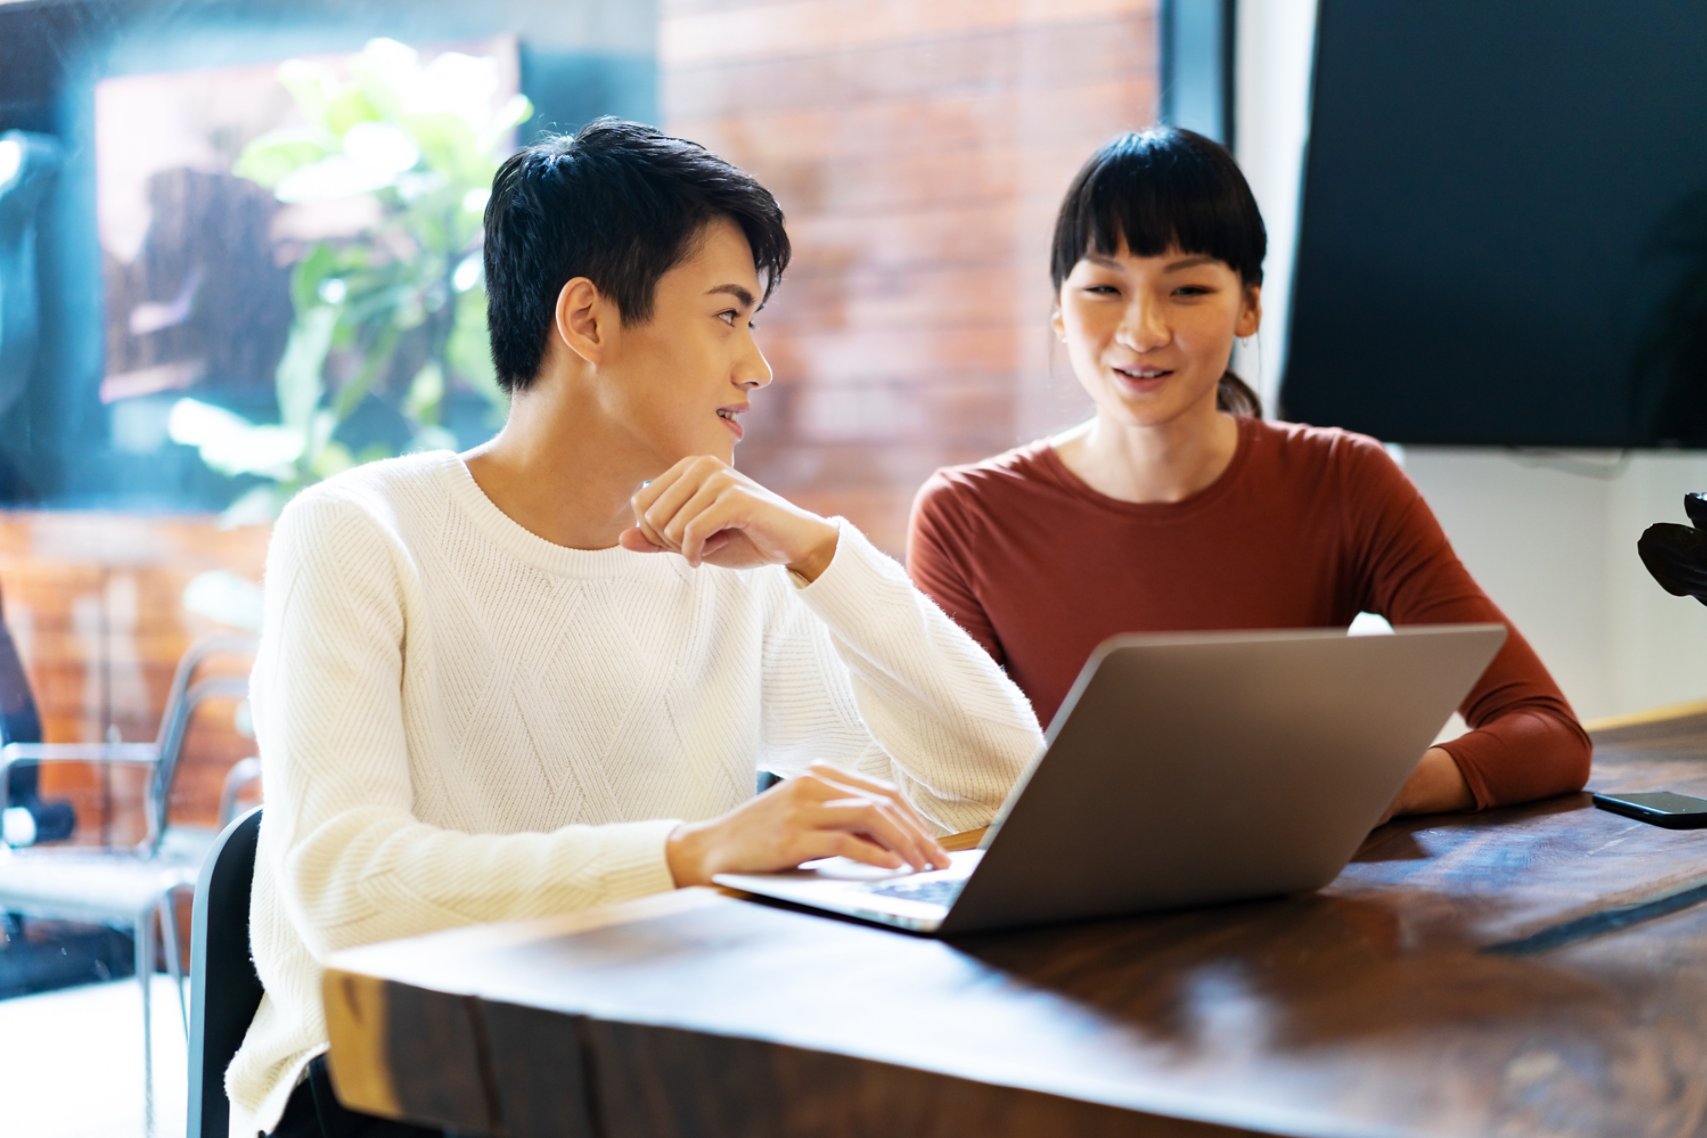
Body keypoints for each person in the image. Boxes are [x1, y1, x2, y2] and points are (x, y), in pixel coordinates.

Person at [231, 118, 1043, 1138]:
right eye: (727, 315)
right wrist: (689, 853)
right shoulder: (357, 532)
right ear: (587, 320)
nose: (758, 366)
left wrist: (820, 555)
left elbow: (999, 788)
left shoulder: (728, 563)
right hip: (390, 1085)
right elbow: (346, 895)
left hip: (647, 1064)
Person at [907, 126, 1589, 820]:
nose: (1142, 331)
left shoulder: (1344, 480)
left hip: (1286, 897)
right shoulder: (965, 516)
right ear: (1058, 309)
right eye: (1103, 288)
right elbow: (943, 785)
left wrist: (1381, 785)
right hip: (1060, 906)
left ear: (1249, 307)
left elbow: (1545, 734)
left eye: (1188, 290)